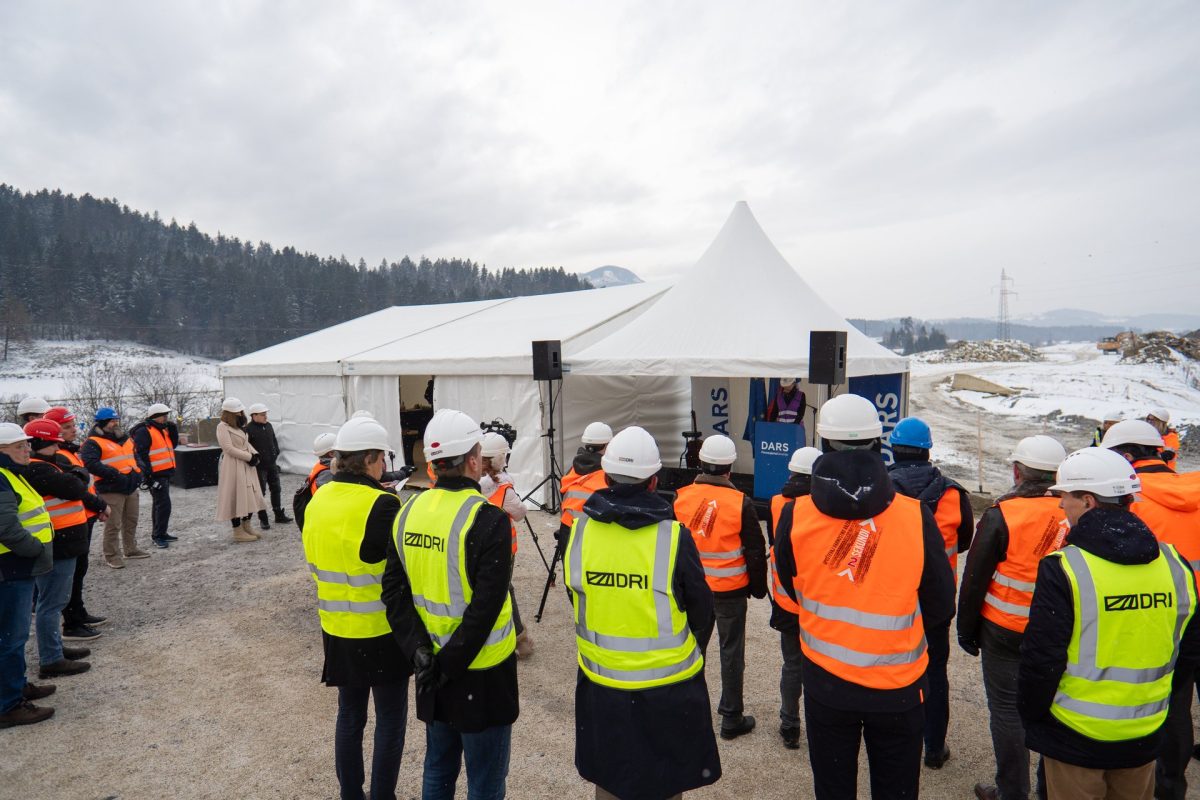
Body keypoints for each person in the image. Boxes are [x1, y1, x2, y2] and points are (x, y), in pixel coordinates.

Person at [773, 393, 956, 800]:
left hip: (826, 684)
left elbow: (789, 581)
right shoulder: (914, 516)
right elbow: (941, 605)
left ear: (822, 446)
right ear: (879, 445)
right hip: (899, 688)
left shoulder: (795, 514)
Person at [1019, 447, 1200, 800]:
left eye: (1065, 496)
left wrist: (1034, 718)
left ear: (1087, 501)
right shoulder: (1174, 563)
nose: (1060, 505)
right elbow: (1189, 651)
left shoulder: (1065, 567)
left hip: (1076, 735)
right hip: (1143, 734)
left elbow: (1041, 659)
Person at [564, 425, 721, 799]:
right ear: (654, 481)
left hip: (602, 687)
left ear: (605, 474)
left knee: (611, 779)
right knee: (665, 783)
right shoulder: (672, 537)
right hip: (668, 689)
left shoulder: (580, 531)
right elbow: (702, 611)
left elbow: (578, 598)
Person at [381, 409, 518, 800]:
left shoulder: (407, 512)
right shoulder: (487, 519)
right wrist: (447, 665)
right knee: (486, 781)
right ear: (474, 460)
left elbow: (393, 592)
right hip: (482, 672)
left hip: (431, 669)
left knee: (438, 769)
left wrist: (420, 653)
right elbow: (486, 608)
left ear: (432, 464)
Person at [302, 415, 409, 800]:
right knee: (390, 720)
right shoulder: (382, 503)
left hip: (336, 627)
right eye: (381, 458)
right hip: (380, 630)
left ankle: (351, 793)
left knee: (350, 716)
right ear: (369, 460)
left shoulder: (318, 499)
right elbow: (399, 571)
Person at [958, 434, 1068, 800]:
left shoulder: (1002, 514)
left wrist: (966, 630)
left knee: (1007, 711)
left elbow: (975, 579)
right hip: (1059, 631)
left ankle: (1011, 793)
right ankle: (1049, 788)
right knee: (1053, 709)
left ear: (1018, 471)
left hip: (1004, 629)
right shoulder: (1076, 513)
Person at [1101, 419, 1200, 799]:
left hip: (1163, 616)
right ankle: (1172, 783)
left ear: (1126, 456)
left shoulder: (1133, 500)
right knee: (1183, 696)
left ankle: (1156, 781)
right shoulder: (1192, 488)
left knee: (1166, 698)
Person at [887, 416, 975, 770]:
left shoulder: (882, 491)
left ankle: (896, 741)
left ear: (893, 448)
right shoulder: (953, 493)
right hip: (937, 601)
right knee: (935, 671)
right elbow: (966, 540)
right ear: (927, 451)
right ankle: (934, 748)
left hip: (894, 600)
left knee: (894, 670)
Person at [673, 433, 766, 740]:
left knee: (691, 650)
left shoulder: (682, 497)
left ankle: (686, 711)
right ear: (729, 468)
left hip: (693, 591)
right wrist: (757, 587)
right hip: (729, 591)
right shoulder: (740, 502)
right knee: (731, 652)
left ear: (700, 463)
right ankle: (731, 717)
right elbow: (754, 549)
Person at [23, 420, 108, 680]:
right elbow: (74, 486)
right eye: (54, 444)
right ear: (42, 444)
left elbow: (75, 481)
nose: (58, 448)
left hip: (63, 540)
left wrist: (74, 476)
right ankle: (51, 659)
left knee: (55, 600)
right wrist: (76, 477)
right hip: (57, 542)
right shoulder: (39, 470)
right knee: (51, 603)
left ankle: (55, 649)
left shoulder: (47, 467)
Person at [0, 422, 57, 728]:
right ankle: (8, 705)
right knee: (11, 636)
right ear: (2, 451)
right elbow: (5, 526)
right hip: (10, 567)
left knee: (14, 635)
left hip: (14, 566)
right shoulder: (1, 479)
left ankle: (16, 687)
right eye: (20, 446)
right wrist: (34, 548)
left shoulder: (9, 475)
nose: (27, 450)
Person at [767, 445, 821, 749]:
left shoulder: (776, 503)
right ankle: (820, 724)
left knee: (792, 664)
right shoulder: (822, 507)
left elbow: (775, 543)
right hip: (817, 601)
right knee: (820, 665)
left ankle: (789, 725)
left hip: (787, 599)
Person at [46, 406, 107, 639]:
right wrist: (100, 505)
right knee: (73, 572)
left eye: (73, 426)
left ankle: (78, 613)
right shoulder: (59, 455)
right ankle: (71, 622)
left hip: (81, 517)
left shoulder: (67, 451)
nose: (73, 430)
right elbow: (76, 489)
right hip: (69, 522)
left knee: (79, 570)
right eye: (67, 427)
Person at [479, 432, 533, 660]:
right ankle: (519, 637)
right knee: (504, 589)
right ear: (501, 459)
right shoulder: (504, 489)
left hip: (476, 546)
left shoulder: (471, 483)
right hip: (502, 548)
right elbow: (520, 513)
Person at [81, 407, 146, 568]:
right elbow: (91, 464)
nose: (115, 423)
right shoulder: (92, 442)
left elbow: (136, 456)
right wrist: (115, 475)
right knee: (113, 524)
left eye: (116, 420)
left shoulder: (125, 438)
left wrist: (140, 470)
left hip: (130, 486)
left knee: (131, 520)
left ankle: (130, 549)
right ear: (102, 423)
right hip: (111, 489)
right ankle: (112, 555)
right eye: (112, 421)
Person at [215, 397, 266, 543]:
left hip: (245, 464)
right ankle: (237, 530)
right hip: (234, 465)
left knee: (250, 495)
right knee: (236, 496)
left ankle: (246, 525)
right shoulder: (222, 427)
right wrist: (249, 457)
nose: (241, 413)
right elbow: (228, 448)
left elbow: (245, 443)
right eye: (238, 411)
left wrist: (254, 453)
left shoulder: (238, 425)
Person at [130, 402, 179, 549]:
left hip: (164, 473)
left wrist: (173, 430)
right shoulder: (145, 431)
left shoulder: (161, 429)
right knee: (163, 505)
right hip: (156, 475)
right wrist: (148, 475)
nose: (166, 418)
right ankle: (158, 535)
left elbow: (172, 446)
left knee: (160, 504)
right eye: (164, 416)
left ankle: (160, 533)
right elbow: (140, 454)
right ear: (155, 417)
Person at [558, 421, 612, 546]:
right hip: (593, 532)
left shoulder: (572, 469)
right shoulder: (609, 475)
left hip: (567, 528)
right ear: (607, 445)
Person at [247, 402, 292, 530]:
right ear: (254, 415)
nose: (265, 417)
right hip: (259, 467)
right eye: (262, 415)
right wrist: (255, 460)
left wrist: (275, 452)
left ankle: (278, 514)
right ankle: (263, 519)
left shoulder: (269, 426)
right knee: (261, 493)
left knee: (276, 488)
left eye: (265, 414)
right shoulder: (248, 429)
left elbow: (274, 440)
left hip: (272, 464)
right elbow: (247, 447)